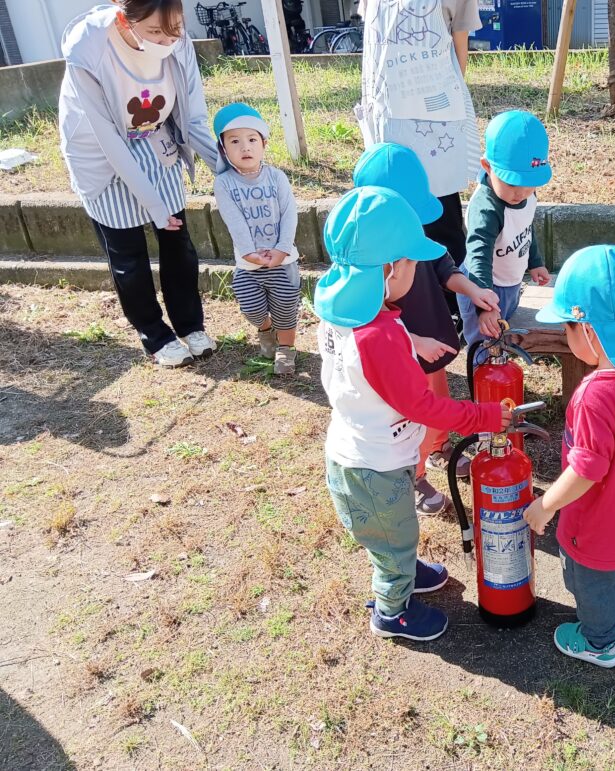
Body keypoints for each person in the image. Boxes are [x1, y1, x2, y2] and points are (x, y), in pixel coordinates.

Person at [315, 186, 510, 642]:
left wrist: (412, 343)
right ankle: (392, 610)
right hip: (374, 467)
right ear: (388, 270)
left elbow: (367, 353)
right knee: (392, 541)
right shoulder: (378, 336)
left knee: (392, 529)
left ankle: (401, 566)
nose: (417, 269)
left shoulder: (351, 309)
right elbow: (420, 405)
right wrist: (482, 417)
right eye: (410, 263)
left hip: (359, 455)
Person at [524, 245, 615, 668]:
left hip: (598, 527)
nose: (568, 338)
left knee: (589, 586)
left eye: (569, 328)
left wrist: (544, 506)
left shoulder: (594, 395)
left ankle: (599, 641)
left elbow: (587, 469)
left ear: (588, 330)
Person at [58, 0, 220, 367]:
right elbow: (107, 138)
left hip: (155, 139)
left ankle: (190, 325)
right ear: (122, 19)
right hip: (102, 155)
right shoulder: (88, 50)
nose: (168, 40)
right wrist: (152, 204)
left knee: (178, 241)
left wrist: (226, 167)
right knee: (129, 257)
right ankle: (154, 334)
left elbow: (193, 117)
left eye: (175, 28)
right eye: (155, 32)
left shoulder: (177, 41)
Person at [351, 142, 502, 515]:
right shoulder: (368, 260)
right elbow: (367, 317)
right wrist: (410, 340)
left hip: (430, 342)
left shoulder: (420, 237)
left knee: (436, 400)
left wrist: (474, 290)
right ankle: (414, 475)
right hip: (398, 352)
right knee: (408, 414)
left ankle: (439, 447)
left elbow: (445, 270)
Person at [355, 0, 483, 303]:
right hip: (388, 112)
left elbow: (459, 40)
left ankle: (453, 303)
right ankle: (402, 298)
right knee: (397, 209)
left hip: (433, 115)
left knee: (439, 212)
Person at [212, 103, 300, 376]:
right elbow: (233, 220)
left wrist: (282, 249)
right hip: (248, 264)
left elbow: (289, 214)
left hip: (283, 261)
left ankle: (286, 349)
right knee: (251, 307)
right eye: (234, 141)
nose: (245, 147)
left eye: (252, 140)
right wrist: (249, 252)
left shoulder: (277, 177)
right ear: (224, 149)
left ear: (264, 143)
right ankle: (264, 329)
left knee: (286, 308)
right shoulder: (224, 183)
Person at [459, 111, 552, 358]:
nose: (521, 193)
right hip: (483, 284)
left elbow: (525, 228)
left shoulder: (526, 194)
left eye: (529, 183)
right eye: (512, 183)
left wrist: (535, 262)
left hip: (509, 283)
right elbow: (479, 259)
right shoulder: (486, 210)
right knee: (484, 341)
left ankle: (499, 363)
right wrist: (485, 306)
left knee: (502, 331)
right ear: (487, 167)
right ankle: (482, 382)